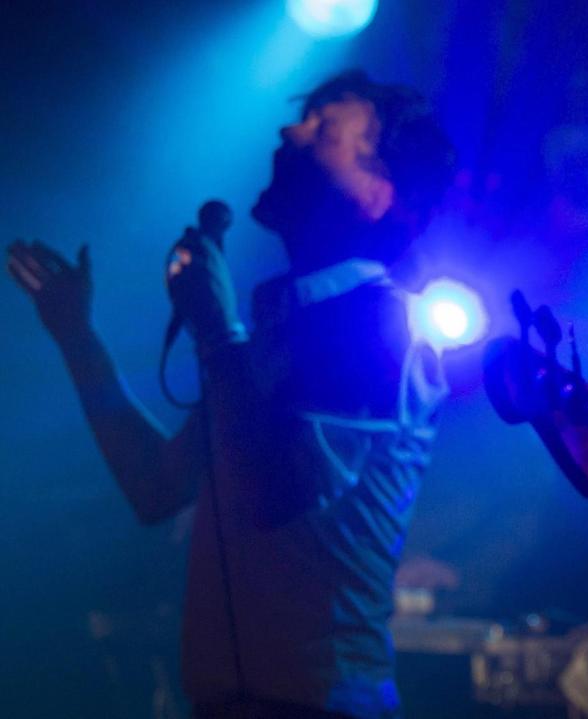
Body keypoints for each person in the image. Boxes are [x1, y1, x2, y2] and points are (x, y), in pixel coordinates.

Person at [7, 70, 454, 719]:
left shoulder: (379, 323)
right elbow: (156, 486)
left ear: (379, 194)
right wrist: (78, 336)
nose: (288, 130)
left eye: (324, 128)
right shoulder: (274, 336)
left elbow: (278, 492)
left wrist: (217, 333)